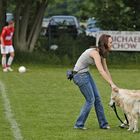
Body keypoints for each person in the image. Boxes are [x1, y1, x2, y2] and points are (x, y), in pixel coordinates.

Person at [73, 34, 117, 130]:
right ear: (105, 43)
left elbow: (106, 70)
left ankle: (103, 124)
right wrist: (111, 84)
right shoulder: (95, 53)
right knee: (90, 100)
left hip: (85, 74)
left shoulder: (102, 53)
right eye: (110, 42)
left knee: (98, 98)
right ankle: (79, 124)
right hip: (79, 76)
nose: (112, 44)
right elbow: (101, 71)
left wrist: (112, 84)